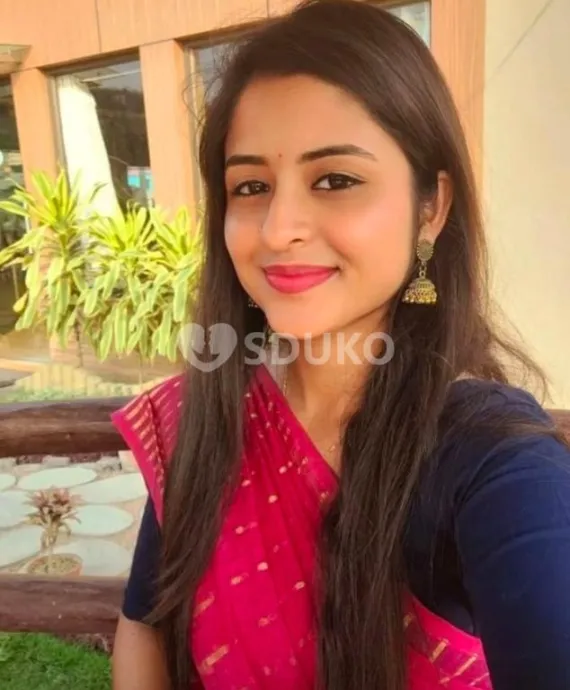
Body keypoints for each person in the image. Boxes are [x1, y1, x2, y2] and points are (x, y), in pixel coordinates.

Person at [110, 1, 570, 689]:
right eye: (251, 186)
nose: (278, 228)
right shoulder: (204, 418)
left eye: (335, 180)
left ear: (431, 207)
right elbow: (145, 623)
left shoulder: (491, 462)